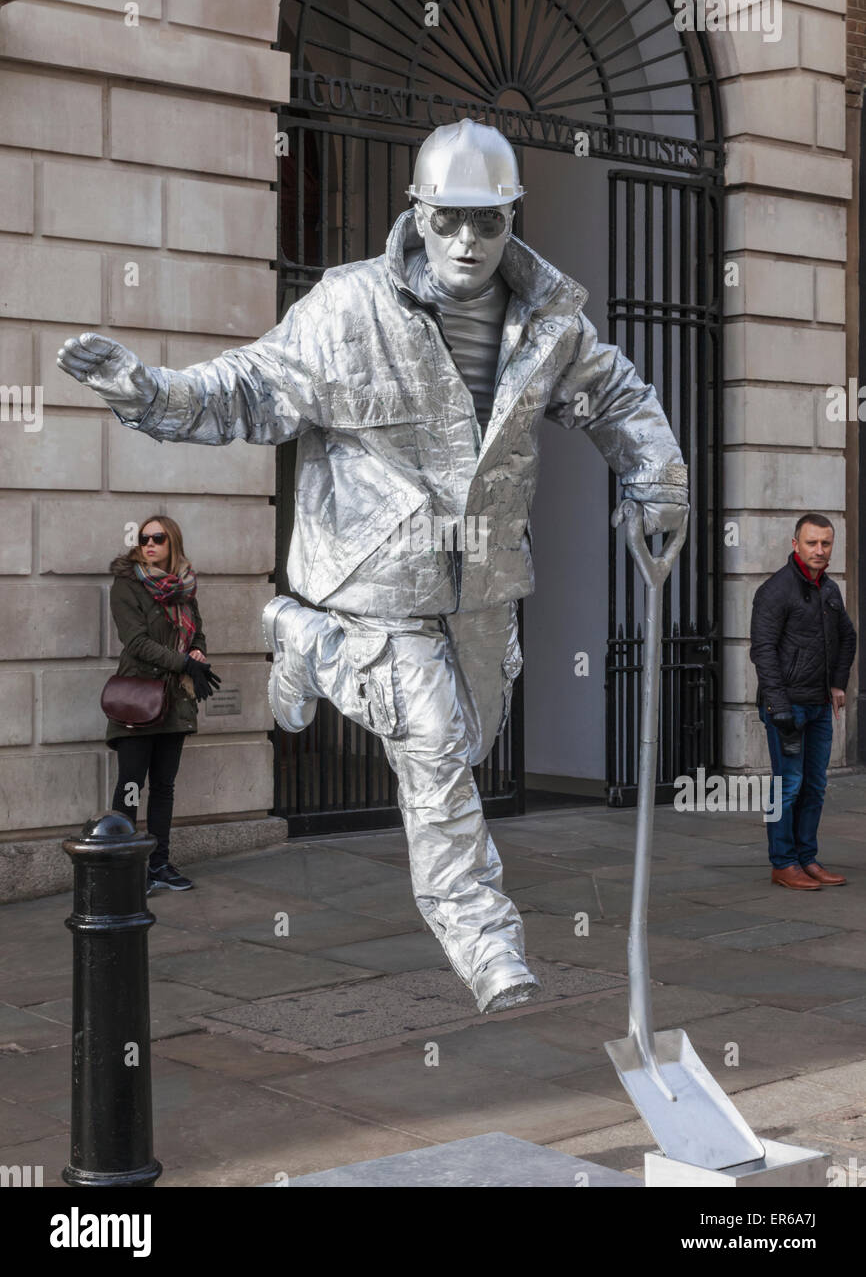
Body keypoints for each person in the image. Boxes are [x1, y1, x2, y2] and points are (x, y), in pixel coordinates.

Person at [58, 119, 688, 1012]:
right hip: (379, 575)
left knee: (467, 742)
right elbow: (250, 389)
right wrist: (146, 390)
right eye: (449, 221)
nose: (468, 243)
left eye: (489, 223)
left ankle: (307, 645)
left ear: (513, 218)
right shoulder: (348, 308)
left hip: (484, 581)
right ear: (418, 214)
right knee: (431, 745)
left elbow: (618, 395)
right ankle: (485, 941)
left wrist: (658, 479)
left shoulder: (550, 324)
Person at [106, 516, 221, 894]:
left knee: (164, 787)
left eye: (158, 538)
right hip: (139, 699)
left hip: (176, 701)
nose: (149, 544)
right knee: (130, 785)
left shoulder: (186, 587)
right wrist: (184, 662)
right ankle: (123, 870)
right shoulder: (127, 584)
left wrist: (198, 652)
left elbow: (196, 631)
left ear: (172, 543)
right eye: (144, 538)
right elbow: (135, 642)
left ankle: (159, 865)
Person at [750, 513, 856, 889]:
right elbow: (763, 651)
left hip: (818, 705)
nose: (819, 550)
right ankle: (783, 862)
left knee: (814, 785)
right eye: (812, 542)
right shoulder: (775, 591)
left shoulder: (828, 589)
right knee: (788, 785)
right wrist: (778, 707)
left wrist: (838, 683)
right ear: (795, 544)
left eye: (826, 543)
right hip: (787, 707)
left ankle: (807, 858)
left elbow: (848, 636)